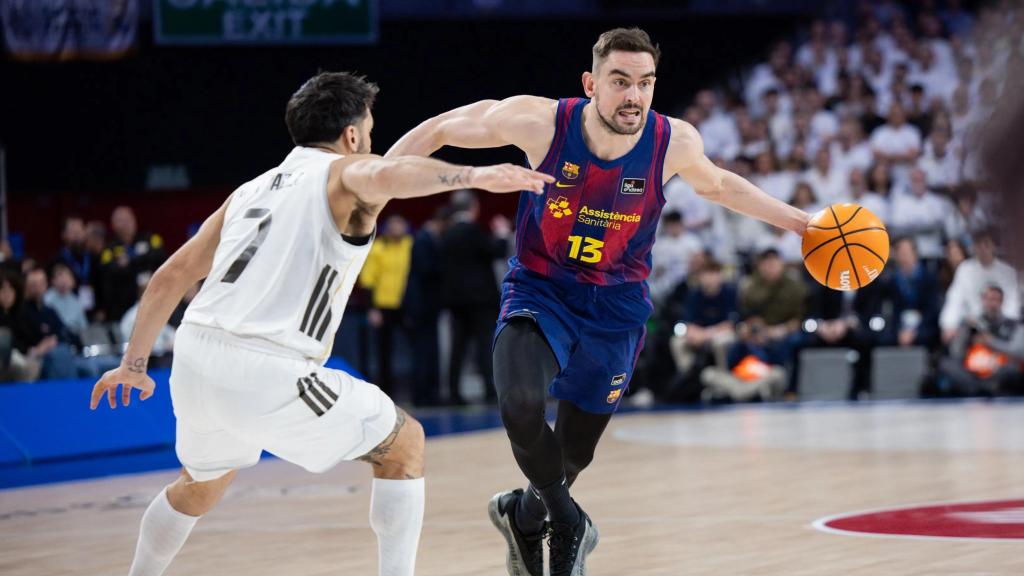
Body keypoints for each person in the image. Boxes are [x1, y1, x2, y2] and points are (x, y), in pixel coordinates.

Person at [87, 71, 553, 576]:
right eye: (368, 131)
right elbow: (383, 176)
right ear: (352, 135)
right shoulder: (343, 175)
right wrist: (474, 176)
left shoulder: (248, 192)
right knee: (404, 444)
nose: (370, 143)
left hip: (196, 361)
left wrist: (133, 365)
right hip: (268, 367)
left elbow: (169, 276)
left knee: (199, 485)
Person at [387, 28, 810, 576]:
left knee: (569, 458)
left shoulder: (673, 142)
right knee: (518, 404)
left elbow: (721, 187)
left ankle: (525, 516)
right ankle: (571, 523)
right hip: (541, 289)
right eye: (620, 82)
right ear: (591, 84)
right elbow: (444, 127)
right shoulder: (541, 121)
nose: (633, 95)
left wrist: (801, 223)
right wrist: (373, 179)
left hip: (616, 309)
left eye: (645, 83)